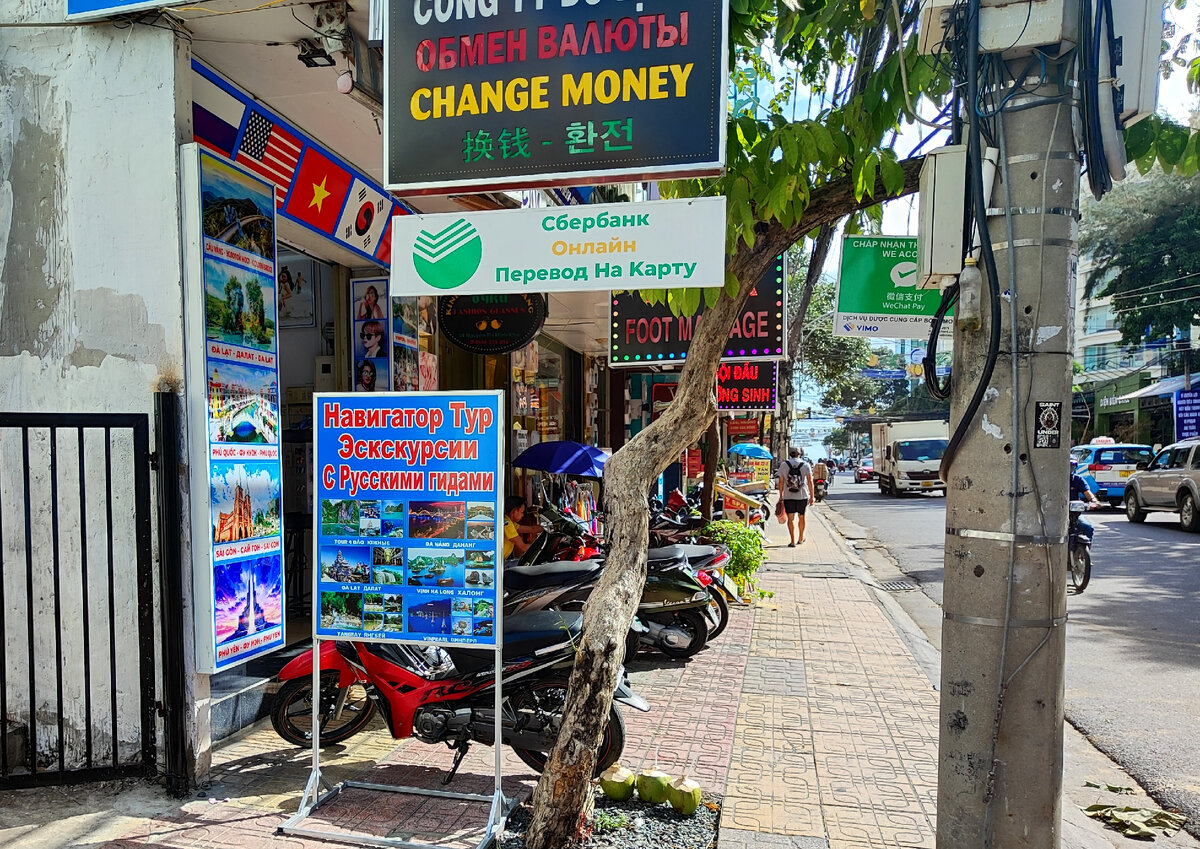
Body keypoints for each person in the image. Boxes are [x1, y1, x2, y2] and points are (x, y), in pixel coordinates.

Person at [776, 447, 814, 546]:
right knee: (801, 516)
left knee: (790, 518)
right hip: (802, 496)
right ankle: (800, 538)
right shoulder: (805, 465)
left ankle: (792, 541)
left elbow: (780, 482)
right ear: (799, 454)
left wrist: (781, 495)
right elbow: (810, 481)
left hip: (788, 496)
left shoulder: (784, 465)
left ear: (790, 453)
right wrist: (812, 496)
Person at [503, 495, 541, 564]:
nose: (522, 515)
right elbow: (523, 547)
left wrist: (547, 527)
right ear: (514, 511)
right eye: (522, 512)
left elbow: (531, 529)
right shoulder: (507, 524)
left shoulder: (511, 523)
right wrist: (542, 549)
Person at [1070, 458, 1098, 543]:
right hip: (1055, 515)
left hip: (1073, 514)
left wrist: (1094, 501)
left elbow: (1087, 493)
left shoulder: (1077, 479)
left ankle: (1083, 552)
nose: (1070, 468)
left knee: (1088, 527)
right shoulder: (1054, 480)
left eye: (1072, 466)